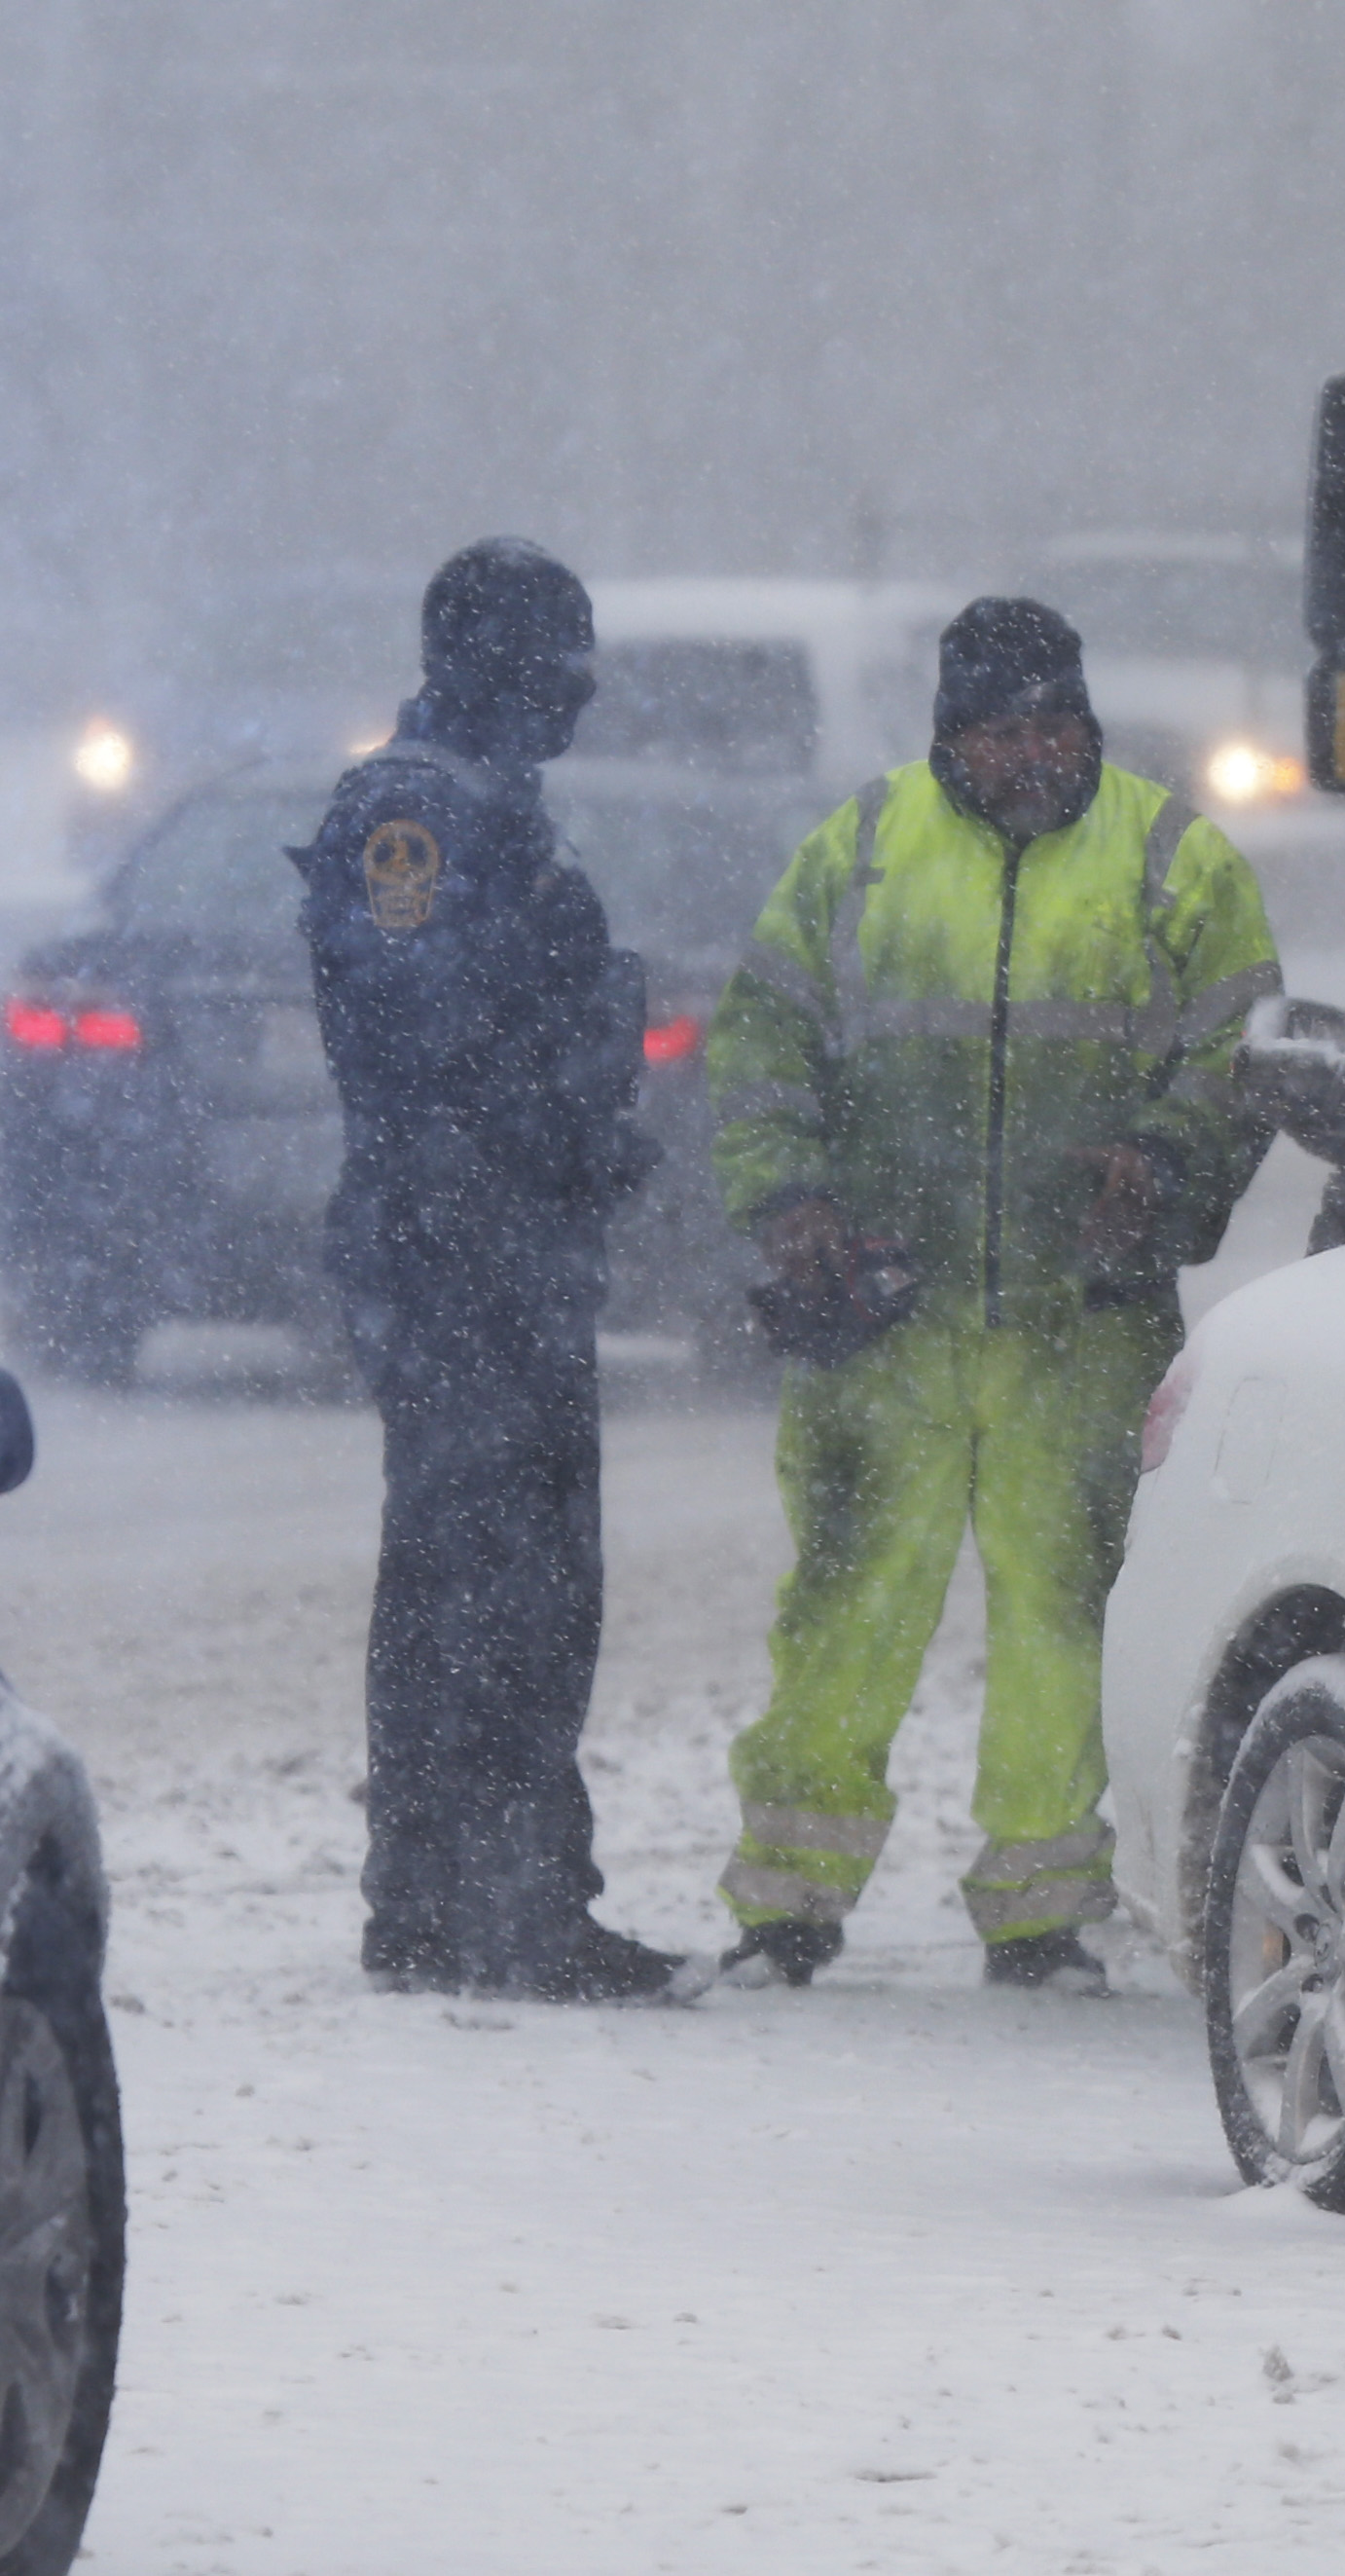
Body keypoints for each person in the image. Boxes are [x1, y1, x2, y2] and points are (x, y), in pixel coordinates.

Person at [706, 599, 1280, 1993]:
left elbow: (1237, 1052)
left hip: (1080, 1320)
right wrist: (789, 1198)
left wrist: (1161, 1163)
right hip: (884, 1317)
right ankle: (786, 1901)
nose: (1030, 753)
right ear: (947, 736)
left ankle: (1039, 1913)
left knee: (1066, 1615)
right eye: (998, 728)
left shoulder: (1170, 860)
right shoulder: (858, 852)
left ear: (1087, 724)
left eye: (1052, 724)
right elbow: (765, 1039)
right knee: (847, 1606)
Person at [293, 536, 691, 2005]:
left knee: (515, 1582)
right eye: (556, 669)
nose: (577, 700)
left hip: (505, 1246)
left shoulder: (491, 803)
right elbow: (418, 1045)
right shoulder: (421, 811)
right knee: (489, 1591)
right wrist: (535, 1147)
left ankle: (472, 1895)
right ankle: (487, 1903)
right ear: (490, 666)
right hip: (466, 1254)